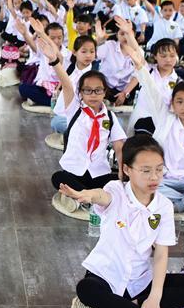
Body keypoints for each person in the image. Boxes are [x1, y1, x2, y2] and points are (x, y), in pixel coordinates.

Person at [63, 135, 184, 308]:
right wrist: (88, 195)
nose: (154, 177)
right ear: (127, 170)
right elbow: (102, 196)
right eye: (146, 171)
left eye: (159, 169)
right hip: (106, 276)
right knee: (85, 290)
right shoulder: (116, 190)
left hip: (141, 281)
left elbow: (160, 254)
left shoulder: (164, 206)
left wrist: (155, 297)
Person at [123, 38, 184, 212]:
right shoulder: (164, 118)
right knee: (140, 183)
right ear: (172, 104)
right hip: (164, 179)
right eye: (180, 102)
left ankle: (177, 205)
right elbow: (152, 89)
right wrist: (140, 67)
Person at [46, 30, 126, 195]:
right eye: (88, 91)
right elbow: (67, 84)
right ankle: (90, 196)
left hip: (99, 171)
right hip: (75, 171)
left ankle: (84, 196)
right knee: (58, 178)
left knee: (122, 183)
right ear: (80, 93)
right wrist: (54, 61)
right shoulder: (75, 109)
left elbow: (119, 145)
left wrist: (122, 169)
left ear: (105, 92)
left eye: (98, 91)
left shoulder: (110, 117)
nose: (93, 95)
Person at [124, 38, 180, 135]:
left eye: (172, 56)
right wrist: (129, 34)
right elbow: (137, 53)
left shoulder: (178, 81)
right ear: (155, 56)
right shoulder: (147, 71)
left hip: (164, 124)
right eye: (163, 56)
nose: (168, 60)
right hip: (142, 120)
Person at [51, 35, 98, 135]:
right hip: (65, 112)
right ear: (74, 52)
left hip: (82, 115)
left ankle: (79, 133)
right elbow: (56, 53)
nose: (88, 55)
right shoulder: (71, 67)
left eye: (92, 51)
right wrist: (41, 33)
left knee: (57, 123)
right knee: (57, 122)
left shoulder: (94, 74)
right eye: (84, 51)